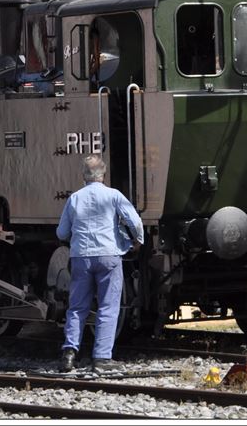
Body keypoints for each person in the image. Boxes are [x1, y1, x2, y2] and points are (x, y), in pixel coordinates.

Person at [57, 154, 144, 373]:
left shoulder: (74, 198)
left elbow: (61, 232)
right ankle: (102, 358)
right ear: (103, 174)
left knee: (77, 307)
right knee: (108, 306)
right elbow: (134, 221)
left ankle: (69, 355)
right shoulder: (113, 195)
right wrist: (137, 241)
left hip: (81, 257)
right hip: (108, 256)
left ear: (83, 175)